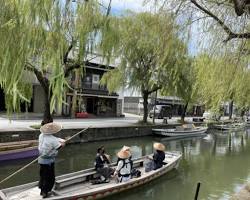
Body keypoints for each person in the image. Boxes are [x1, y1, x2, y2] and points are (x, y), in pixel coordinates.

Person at [38, 122, 65, 198]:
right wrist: (63, 144)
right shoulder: (53, 140)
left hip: (41, 159)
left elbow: (56, 139)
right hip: (48, 161)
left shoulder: (41, 135)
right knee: (49, 177)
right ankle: (45, 192)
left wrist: (61, 140)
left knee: (43, 175)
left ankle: (42, 190)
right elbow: (59, 146)